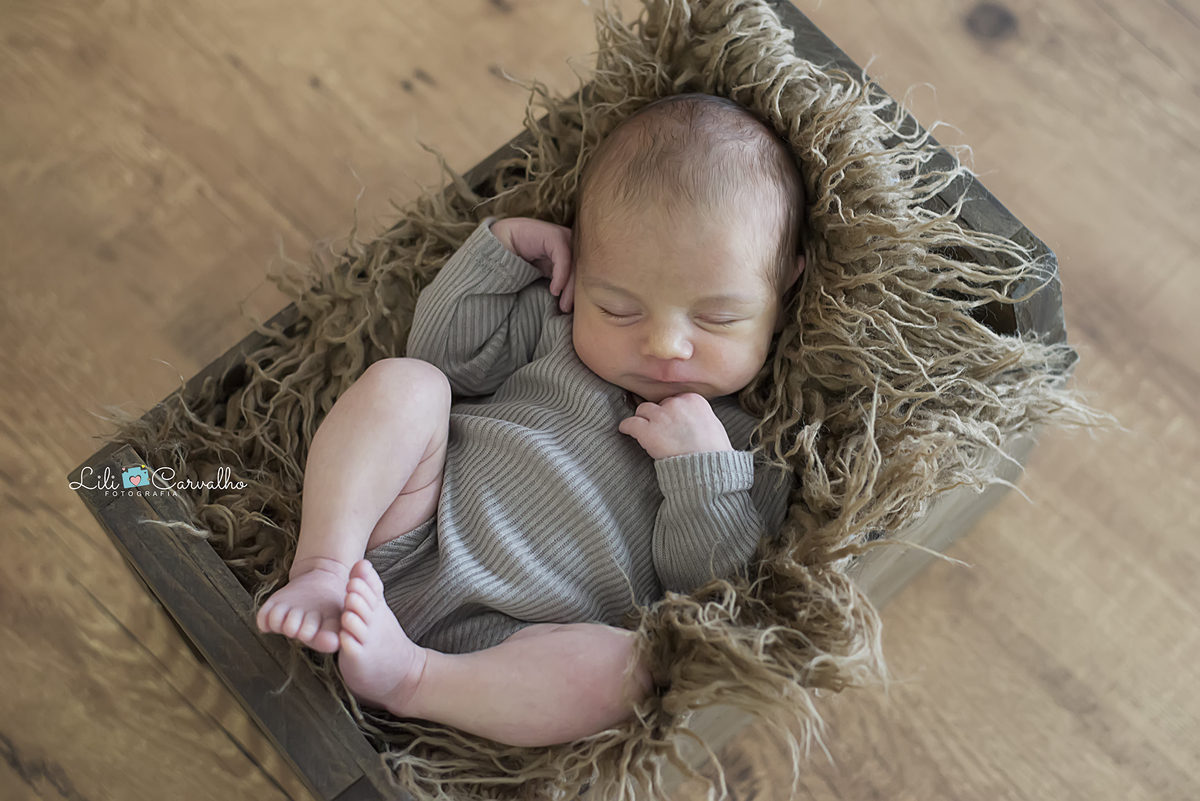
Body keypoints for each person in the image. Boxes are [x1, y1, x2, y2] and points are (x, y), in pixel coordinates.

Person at [255, 93, 807, 748]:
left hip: (522, 645)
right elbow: (445, 353)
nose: (663, 345)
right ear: (585, 272)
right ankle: (322, 561)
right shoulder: (555, 331)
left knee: (629, 672)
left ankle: (410, 677)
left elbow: (715, 592)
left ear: (785, 287)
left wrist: (701, 474)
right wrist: (500, 253)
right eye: (619, 307)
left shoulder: (746, 451)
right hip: (407, 540)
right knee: (410, 384)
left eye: (716, 318)